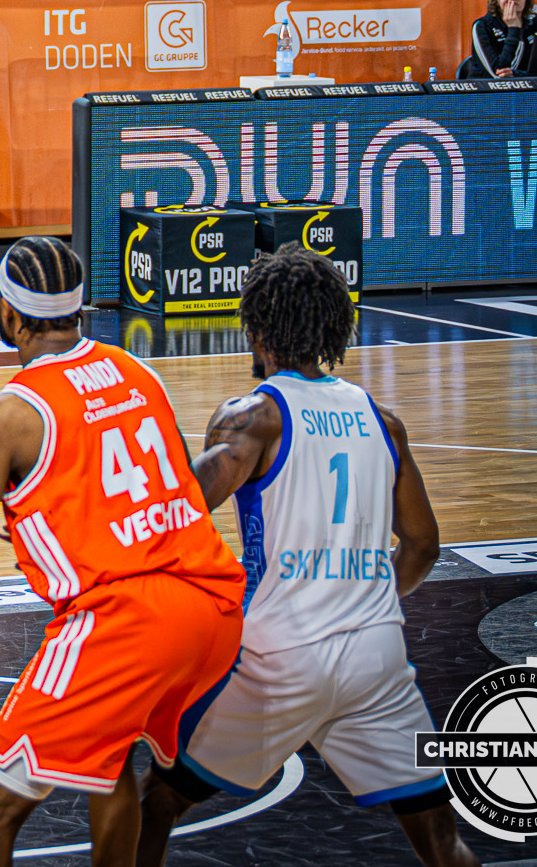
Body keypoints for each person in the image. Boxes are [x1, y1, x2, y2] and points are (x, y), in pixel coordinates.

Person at [0, 236, 245, 867]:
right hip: (213, 607)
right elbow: (175, 491)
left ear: (7, 314)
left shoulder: (10, 414)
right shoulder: (137, 372)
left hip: (124, 624)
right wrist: (66, 518)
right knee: (108, 762)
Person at [135, 246, 476, 867]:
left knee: (156, 803)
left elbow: (176, 511)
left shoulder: (251, 418)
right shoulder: (383, 421)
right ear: (332, 328)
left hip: (280, 657)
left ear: (257, 329)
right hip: (376, 656)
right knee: (441, 844)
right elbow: (424, 544)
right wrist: (363, 598)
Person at [466, 0, 537, 78]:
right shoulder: (482, 26)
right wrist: (514, 29)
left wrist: (517, 74)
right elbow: (498, 73)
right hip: (487, 88)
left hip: (529, 87)